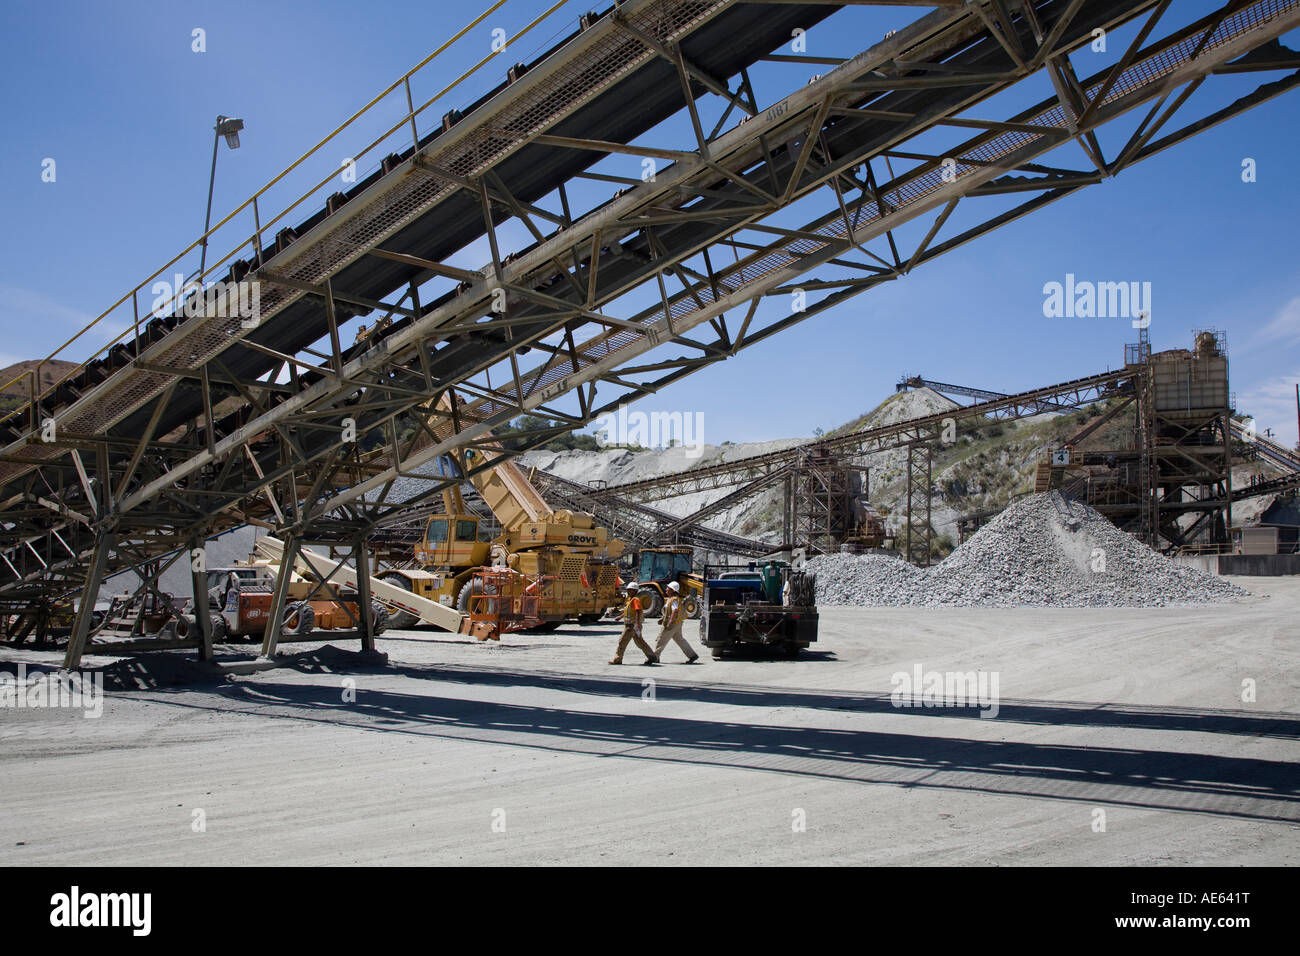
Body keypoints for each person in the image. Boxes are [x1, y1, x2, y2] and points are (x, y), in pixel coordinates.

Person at [611, 583, 657, 665]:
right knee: (640, 642)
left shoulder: (635, 600)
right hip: (632, 625)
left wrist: (637, 623)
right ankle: (652, 656)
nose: (628, 591)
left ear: (635, 591)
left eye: (630, 590)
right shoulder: (630, 600)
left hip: (631, 626)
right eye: (628, 590)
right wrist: (620, 617)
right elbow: (627, 611)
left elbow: (638, 611)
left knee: (622, 641)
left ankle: (618, 659)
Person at [653, 580, 699, 663]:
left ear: (673, 590)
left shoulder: (674, 599)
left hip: (673, 623)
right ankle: (692, 655)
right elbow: (669, 611)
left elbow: (675, 610)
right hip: (677, 622)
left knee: (662, 639)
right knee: (679, 639)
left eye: (668, 588)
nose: (666, 589)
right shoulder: (672, 599)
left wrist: (670, 621)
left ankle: (655, 657)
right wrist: (663, 618)